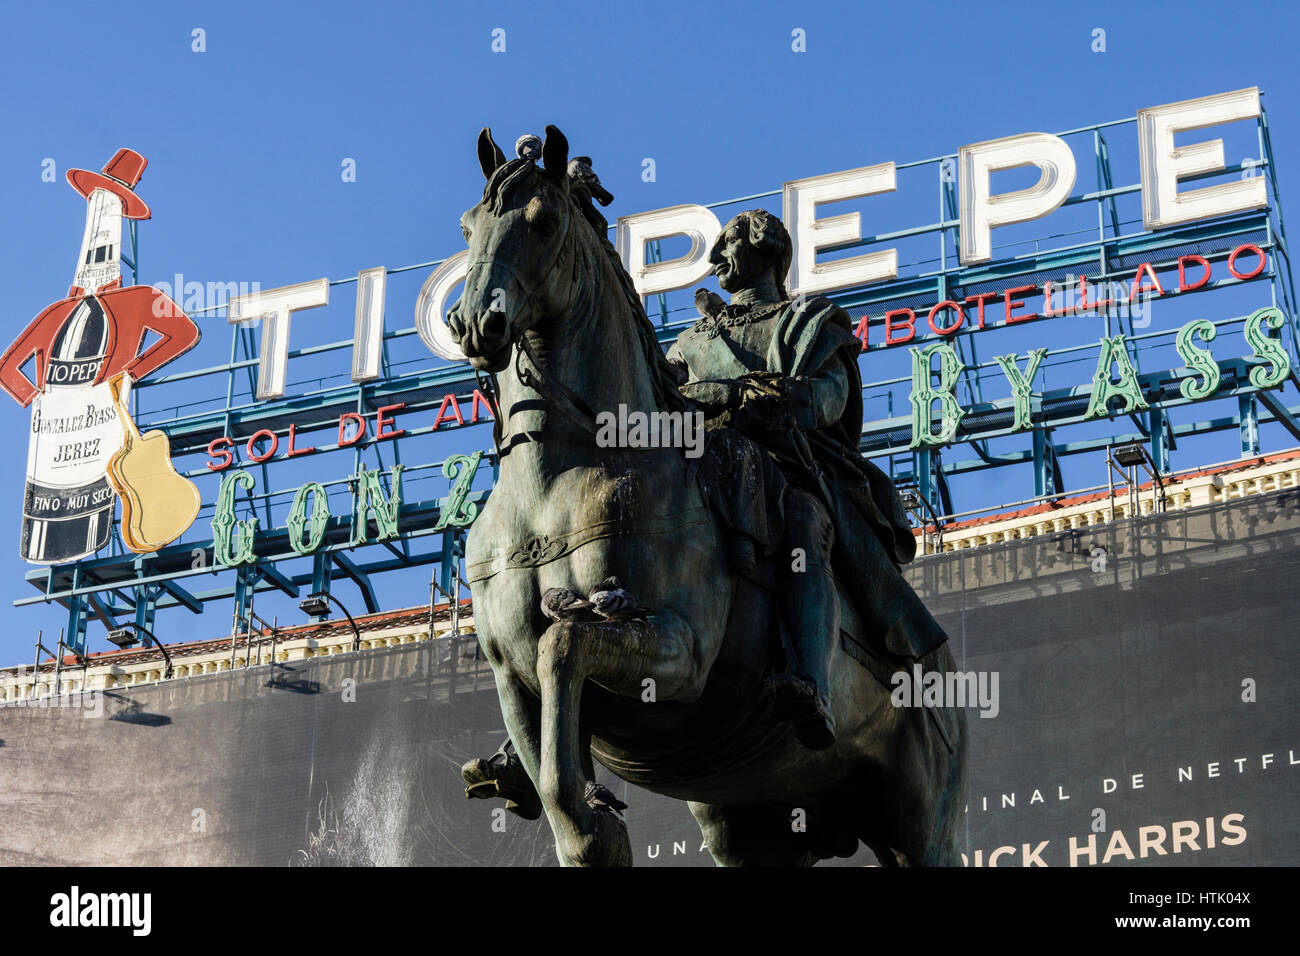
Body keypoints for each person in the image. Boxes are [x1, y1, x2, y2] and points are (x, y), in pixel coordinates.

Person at [667, 210, 946, 750]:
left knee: (802, 527)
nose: (714, 258)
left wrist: (747, 397)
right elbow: (659, 398)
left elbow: (825, 401)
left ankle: (810, 679)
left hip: (789, 466)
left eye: (727, 244)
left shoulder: (814, 321)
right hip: (703, 466)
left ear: (766, 249)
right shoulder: (691, 340)